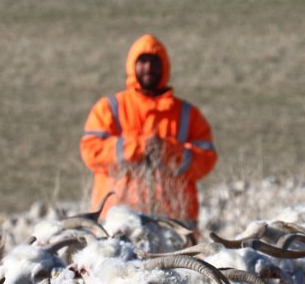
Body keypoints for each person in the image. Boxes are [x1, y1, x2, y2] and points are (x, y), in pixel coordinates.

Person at [79, 34, 217, 222]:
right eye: (142, 61)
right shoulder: (109, 108)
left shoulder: (187, 114)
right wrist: (137, 148)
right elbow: (91, 151)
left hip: (175, 222)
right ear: (131, 66)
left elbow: (206, 160)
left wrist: (169, 152)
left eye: (155, 62)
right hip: (117, 220)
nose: (148, 68)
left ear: (165, 67)